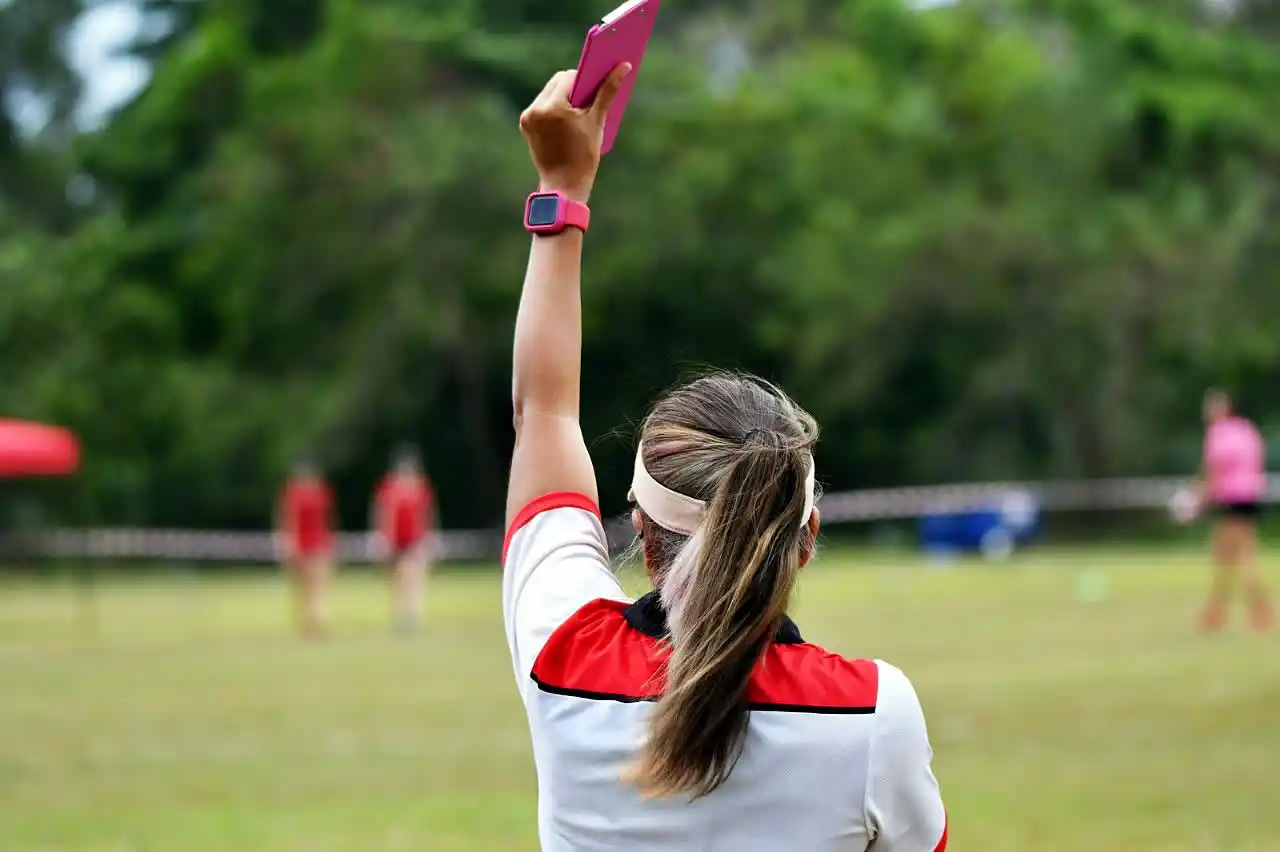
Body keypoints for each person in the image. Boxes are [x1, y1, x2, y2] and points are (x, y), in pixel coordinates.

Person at [501, 65, 948, 851]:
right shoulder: (873, 715)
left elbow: (543, 412)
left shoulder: (562, 656)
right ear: (803, 539)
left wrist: (561, 188)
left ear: (642, 529)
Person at [1197, 390, 1271, 632]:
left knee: (1231, 557)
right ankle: (1218, 613)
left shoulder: (1217, 434)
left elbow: (1214, 472)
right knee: (1237, 555)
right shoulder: (1246, 430)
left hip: (1231, 498)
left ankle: (1250, 613)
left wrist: (1198, 500)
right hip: (1250, 496)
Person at [370, 444, 435, 634]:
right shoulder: (388, 488)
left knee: (413, 577)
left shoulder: (421, 488)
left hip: (414, 540)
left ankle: (413, 614)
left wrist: (428, 538)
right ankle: (401, 613)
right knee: (397, 579)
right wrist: (381, 537)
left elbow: (427, 514)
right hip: (394, 541)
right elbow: (381, 512)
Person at [276, 457, 336, 640]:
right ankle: (309, 621)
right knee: (305, 586)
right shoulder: (296, 493)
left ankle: (315, 620)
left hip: (317, 544)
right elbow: (287, 518)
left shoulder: (318, 492)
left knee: (315, 585)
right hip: (302, 545)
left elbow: (328, 519)